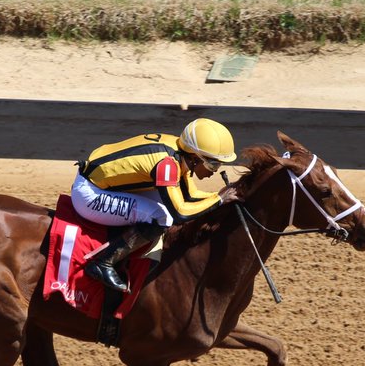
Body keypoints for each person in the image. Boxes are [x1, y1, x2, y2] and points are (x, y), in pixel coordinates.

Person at [71, 117, 241, 293]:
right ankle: (103, 263)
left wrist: (218, 197)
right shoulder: (168, 164)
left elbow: (189, 196)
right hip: (90, 195)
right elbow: (180, 213)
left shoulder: (179, 152)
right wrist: (219, 200)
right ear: (196, 157)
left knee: (164, 206)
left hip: (102, 183)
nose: (214, 172)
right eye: (214, 164)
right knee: (161, 217)